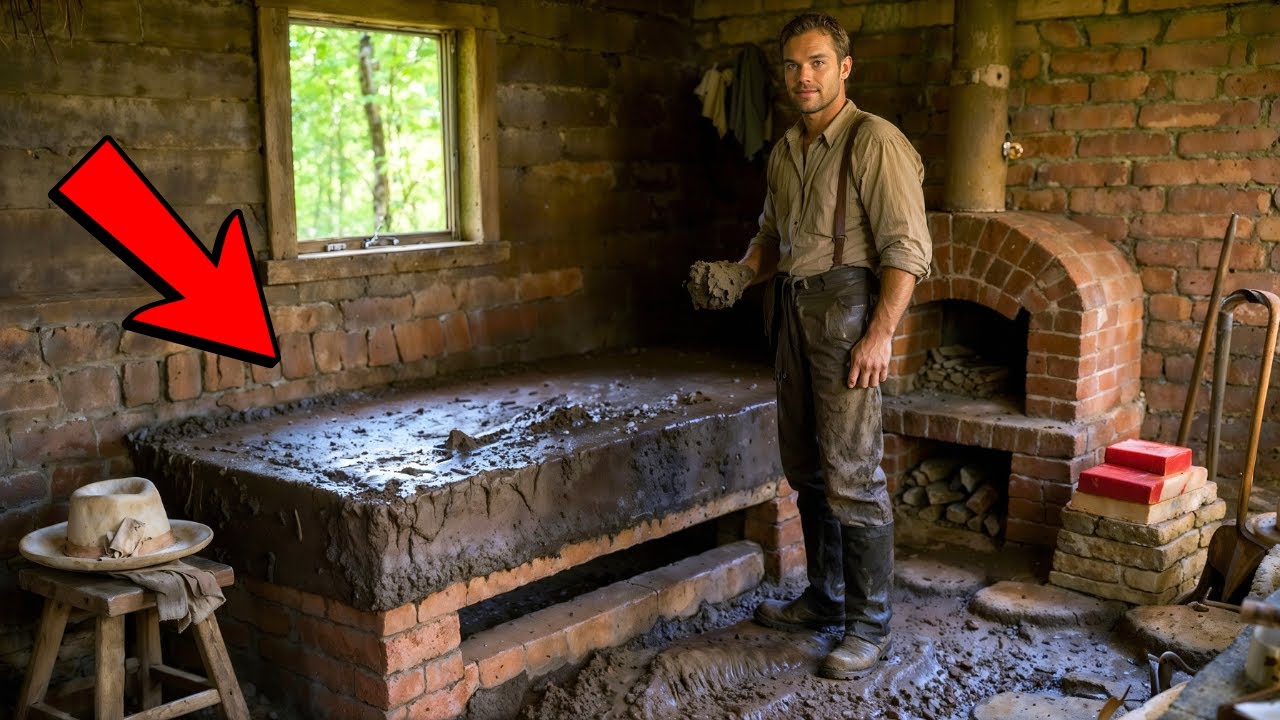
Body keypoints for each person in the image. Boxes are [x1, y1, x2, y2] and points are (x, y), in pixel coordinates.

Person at [687, 12, 931, 680]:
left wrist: (880, 334)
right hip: (792, 313)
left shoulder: (874, 142)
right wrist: (740, 273)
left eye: (818, 62)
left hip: (849, 313)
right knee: (807, 468)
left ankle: (869, 626)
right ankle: (826, 600)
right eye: (793, 66)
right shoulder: (786, 149)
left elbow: (907, 251)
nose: (804, 77)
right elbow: (772, 240)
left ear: (844, 68)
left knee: (853, 472)